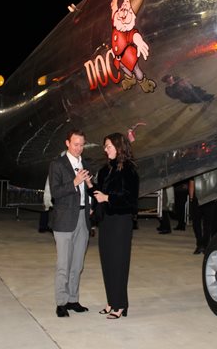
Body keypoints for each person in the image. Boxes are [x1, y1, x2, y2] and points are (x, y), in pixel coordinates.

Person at [90, 132, 139, 320]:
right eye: (105, 146)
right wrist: (90, 187)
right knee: (107, 262)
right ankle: (111, 301)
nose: (105, 149)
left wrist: (108, 198)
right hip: (107, 221)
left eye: (108, 146)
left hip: (121, 221)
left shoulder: (129, 170)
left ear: (119, 147)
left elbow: (130, 200)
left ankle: (120, 305)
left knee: (119, 263)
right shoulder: (105, 170)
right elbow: (99, 194)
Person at [48, 129, 93, 317]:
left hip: (83, 218)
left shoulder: (86, 164)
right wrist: (74, 182)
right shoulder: (57, 164)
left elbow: (87, 191)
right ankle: (61, 302)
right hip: (64, 220)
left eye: (82, 144)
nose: (79, 148)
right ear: (67, 143)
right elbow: (56, 192)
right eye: (75, 144)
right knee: (63, 265)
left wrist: (90, 200)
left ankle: (73, 299)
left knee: (77, 265)